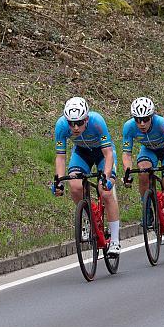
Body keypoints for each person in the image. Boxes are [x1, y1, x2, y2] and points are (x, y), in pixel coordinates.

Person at [53, 97, 121, 255]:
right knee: (75, 186)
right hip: (82, 153)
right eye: (72, 123)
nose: (75, 127)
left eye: (80, 123)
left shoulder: (97, 121)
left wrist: (106, 176)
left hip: (103, 154)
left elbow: (108, 153)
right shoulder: (61, 126)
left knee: (105, 192)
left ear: (87, 119)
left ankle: (116, 241)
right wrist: (59, 181)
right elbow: (60, 157)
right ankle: (89, 218)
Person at [122, 97, 164, 243]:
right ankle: (147, 210)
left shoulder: (162, 123)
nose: (142, 123)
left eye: (145, 119)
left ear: (152, 116)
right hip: (148, 150)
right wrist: (127, 172)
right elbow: (126, 153)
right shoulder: (129, 126)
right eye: (138, 119)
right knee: (143, 172)